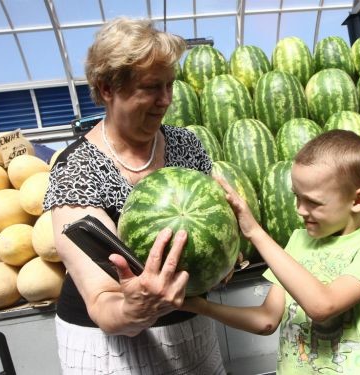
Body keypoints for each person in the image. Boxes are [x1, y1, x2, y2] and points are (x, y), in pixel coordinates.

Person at [43, 17, 226, 374]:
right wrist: (136, 308)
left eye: (170, 85)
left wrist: (225, 254)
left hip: (191, 332)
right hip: (110, 348)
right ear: (107, 88)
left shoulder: (186, 145)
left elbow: (215, 229)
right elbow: (103, 304)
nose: (166, 100)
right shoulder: (77, 169)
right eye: (151, 87)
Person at [183, 129, 360, 374]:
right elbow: (266, 320)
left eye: (313, 202)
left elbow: (322, 306)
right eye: (297, 197)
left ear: (358, 200)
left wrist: (255, 232)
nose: (300, 209)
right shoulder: (298, 241)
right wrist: (198, 306)